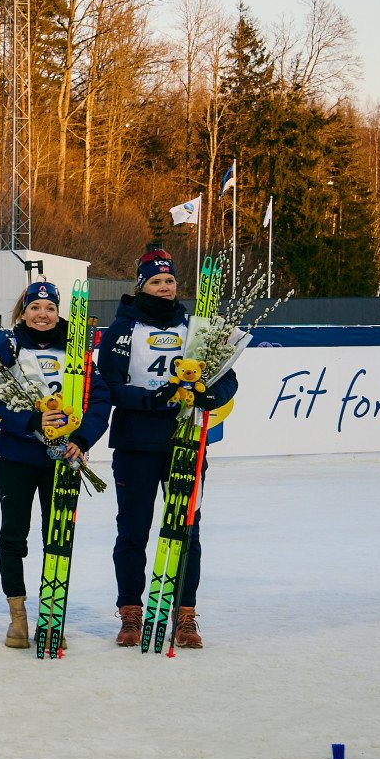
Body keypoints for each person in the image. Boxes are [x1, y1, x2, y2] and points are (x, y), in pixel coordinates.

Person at [98, 249, 238, 649]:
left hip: (186, 441)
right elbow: (108, 386)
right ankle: (131, 612)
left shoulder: (196, 328)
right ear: (141, 285)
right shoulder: (122, 329)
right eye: (156, 281)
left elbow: (228, 378)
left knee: (187, 529)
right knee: (133, 530)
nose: (164, 287)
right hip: (136, 443)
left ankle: (185, 615)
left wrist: (209, 397)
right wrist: (150, 399)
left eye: (170, 281)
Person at [0, 280, 111, 648]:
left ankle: (52, 616)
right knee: (13, 536)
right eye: (35, 307)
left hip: (64, 460)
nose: (42, 314)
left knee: (57, 536)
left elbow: (100, 400)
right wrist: (30, 421)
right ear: (23, 312)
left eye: (50, 308)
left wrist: (82, 440)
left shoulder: (77, 351)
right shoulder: (9, 348)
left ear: (58, 313)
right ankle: (18, 618)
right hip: (17, 457)